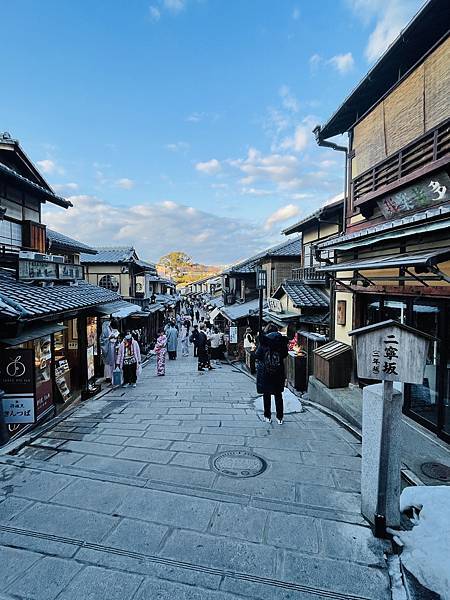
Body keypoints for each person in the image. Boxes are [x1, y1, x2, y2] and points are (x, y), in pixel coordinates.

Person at [255, 323, 289, 424]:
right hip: (278, 371)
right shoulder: (282, 341)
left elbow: (258, 355)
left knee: (267, 394)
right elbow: (285, 354)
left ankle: (267, 416)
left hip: (266, 371)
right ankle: (279, 417)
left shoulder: (264, 341)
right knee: (278, 394)